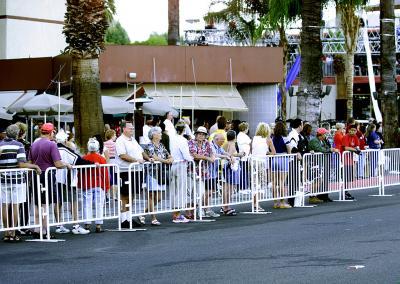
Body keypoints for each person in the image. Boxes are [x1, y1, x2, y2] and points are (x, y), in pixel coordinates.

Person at [29, 123, 71, 238]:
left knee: (38, 204)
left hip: (36, 175)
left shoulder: (34, 144)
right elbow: (58, 164)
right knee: (45, 204)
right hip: (47, 175)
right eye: (54, 132)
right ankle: (45, 231)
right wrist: (66, 165)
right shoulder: (52, 145)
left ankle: (37, 229)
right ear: (51, 132)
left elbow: (31, 162)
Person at [0, 124, 41, 242]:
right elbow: (21, 164)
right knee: (15, 206)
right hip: (17, 180)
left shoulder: (0, 144)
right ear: (17, 134)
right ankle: (13, 233)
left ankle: (7, 233)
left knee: (4, 205)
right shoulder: (19, 145)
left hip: (3, 179)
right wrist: (35, 166)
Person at [55, 130, 93, 235]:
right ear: (66, 140)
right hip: (65, 178)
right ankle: (75, 225)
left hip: (55, 178)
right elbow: (78, 160)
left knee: (58, 201)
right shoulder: (64, 149)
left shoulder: (53, 148)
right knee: (73, 200)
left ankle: (59, 225)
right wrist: (93, 163)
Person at [115, 121, 145, 228]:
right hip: (125, 171)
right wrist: (136, 160)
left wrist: (148, 158)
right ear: (124, 129)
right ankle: (123, 219)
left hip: (136, 170)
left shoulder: (133, 140)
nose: (132, 129)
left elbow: (141, 151)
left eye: (133, 128)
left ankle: (128, 217)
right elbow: (122, 155)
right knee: (125, 195)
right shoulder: (120, 140)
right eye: (130, 128)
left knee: (132, 195)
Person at [142, 127, 174, 226]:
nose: (161, 134)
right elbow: (153, 156)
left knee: (159, 198)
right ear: (154, 135)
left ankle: (143, 214)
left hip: (161, 173)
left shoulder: (161, 145)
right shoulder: (149, 145)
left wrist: (171, 158)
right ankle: (153, 218)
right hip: (152, 173)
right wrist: (165, 161)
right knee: (151, 196)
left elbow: (168, 154)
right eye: (159, 133)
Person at [79, 138, 110, 233]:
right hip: (99, 184)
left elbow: (80, 173)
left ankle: (87, 224)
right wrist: (107, 186)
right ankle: (98, 225)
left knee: (86, 204)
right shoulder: (102, 159)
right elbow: (105, 173)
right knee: (99, 204)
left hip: (87, 184)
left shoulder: (84, 158)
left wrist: (80, 184)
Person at [188, 126, 217, 219]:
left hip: (202, 172)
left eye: (203, 134)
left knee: (201, 192)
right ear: (196, 135)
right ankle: (190, 213)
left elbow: (212, 152)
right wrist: (207, 158)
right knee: (191, 193)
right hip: (190, 171)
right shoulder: (191, 142)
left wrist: (212, 157)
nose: (201, 136)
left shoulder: (206, 143)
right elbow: (194, 155)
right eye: (199, 134)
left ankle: (199, 210)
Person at [169, 122, 193, 223]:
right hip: (181, 164)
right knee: (180, 190)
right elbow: (186, 154)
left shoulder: (172, 138)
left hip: (174, 164)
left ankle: (175, 214)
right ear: (183, 130)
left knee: (174, 190)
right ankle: (177, 215)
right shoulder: (183, 140)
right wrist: (191, 159)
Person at [308, 128, 339, 203]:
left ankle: (315, 195)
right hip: (314, 162)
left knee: (319, 180)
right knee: (316, 180)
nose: (326, 135)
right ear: (321, 134)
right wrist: (330, 150)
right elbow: (320, 149)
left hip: (321, 162)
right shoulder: (314, 140)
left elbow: (326, 147)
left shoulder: (322, 140)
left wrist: (329, 149)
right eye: (325, 134)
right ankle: (312, 196)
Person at [252, 122, 276, 209]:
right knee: (262, 183)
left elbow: (254, 150)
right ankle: (257, 204)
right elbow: (273, 152)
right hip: (261, 162)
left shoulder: (254, 138)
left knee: (255, 183)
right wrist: (267, 153)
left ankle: (254, 202)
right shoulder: (268, 139)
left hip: (253, 161)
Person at [211, 133, 236, 215]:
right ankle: (206, 209)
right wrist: (225, 157)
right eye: (222, 141)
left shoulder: (218, 146)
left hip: (215, 170)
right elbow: (215, 154)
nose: (223, 142)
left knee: (212, 190)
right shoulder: (211, 145)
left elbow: (224, 152)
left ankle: (224, 207)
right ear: (216, 140)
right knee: (210, 191)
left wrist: (230, 156)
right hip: (210, 170)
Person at [271, 121, 292, 209]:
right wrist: (290, 155)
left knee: (274, 182)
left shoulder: (273, 137)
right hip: (283, 158)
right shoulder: (285, 137)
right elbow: (289, 148)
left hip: (274, 159)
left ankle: (276, 202)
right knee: (282, 182)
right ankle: (283, 202)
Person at [286, 118, 303, 206]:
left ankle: (293, 199)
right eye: (302, 124)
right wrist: (297, 153)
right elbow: (292, 146)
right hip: (292, 160)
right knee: (293, 179)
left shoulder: (297, 134)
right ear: (299, 125)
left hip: (295, 159)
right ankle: (291, 199)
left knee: (295, 179)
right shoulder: (293, 134)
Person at [342, 124, 360, 200]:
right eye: (351, 130)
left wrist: (356, 148)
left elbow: (357, 145)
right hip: (344, 159)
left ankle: (346, 191)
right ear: (348, 130)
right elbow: (346, 148)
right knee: (345, 176)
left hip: (350, 159)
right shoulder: (346, 137)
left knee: (349, 177)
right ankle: (343, 192)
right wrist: (355, 150)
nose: (352, 132)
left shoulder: (355, 137)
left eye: (354, 130)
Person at [236, 122, 251, 190]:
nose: (248, 129)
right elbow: (250, 142)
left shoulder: (240, 135)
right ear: (245, 128)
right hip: (244, 156)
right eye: (247, 128)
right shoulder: (243, 135)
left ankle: (244, 187)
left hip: (245, 156)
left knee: (244, 172)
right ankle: (243, 187)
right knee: (244, 173)